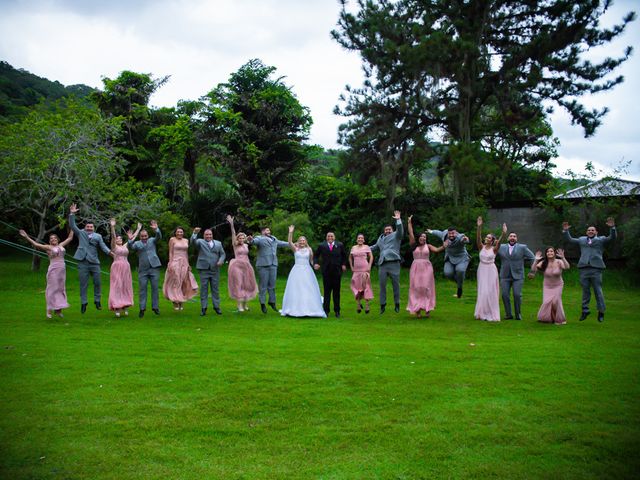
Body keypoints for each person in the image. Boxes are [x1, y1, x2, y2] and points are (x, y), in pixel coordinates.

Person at [562, 217, 616, 322]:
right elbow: (570, 240)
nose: (590, 231)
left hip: (596, 269)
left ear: (596, 232)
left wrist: (612, 228)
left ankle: (601, 312)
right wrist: (566, 230)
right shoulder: (582, 240)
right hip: (583, 269)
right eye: (589, 230)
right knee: (585, 291)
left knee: (598, 291)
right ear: (586, 232)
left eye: (592, 230)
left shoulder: (601, 240)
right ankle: (585, 311)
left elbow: (612, 238)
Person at [69, 203, 114, 313]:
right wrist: (72, 214)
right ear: (85, 228)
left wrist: (111, 254)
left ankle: (97, 300)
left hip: (94, 262)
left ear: (94, 228)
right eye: (88, 227)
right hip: (82, 262)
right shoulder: (80, 233)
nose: (89, 228)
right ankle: (84, 302)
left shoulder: (98, 236)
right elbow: (72, 225)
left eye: (91, 227)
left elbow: (103, 247)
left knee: (97, 282)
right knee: (83, 284)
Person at [19, 228, 74, 318]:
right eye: (51, 238)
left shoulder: (61, 245)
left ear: (57, 239)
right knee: (52, 289)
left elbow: (70, 237)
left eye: (55, 238)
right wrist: (26, 237)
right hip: (53, 270)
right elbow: (36, 244)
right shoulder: (48, 247)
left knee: (60, 289)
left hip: (62, 270)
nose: (53, 239)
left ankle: (58, 310)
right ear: (49, 241)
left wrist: (72, 227)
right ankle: (48, 310)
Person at [280, 225, 326, 318]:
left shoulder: (309, 249)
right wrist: (291, 232)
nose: (302, 242)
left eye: (303, 240)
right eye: (300, 240)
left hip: (307, 271)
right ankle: (294, 308)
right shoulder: (295, 249)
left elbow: (312, 260)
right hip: (296, 271)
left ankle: (309, 308)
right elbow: (289, 242)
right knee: (296, 289)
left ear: (306, 242)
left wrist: (315, 265)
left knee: (308, 288)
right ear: (298, 242)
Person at [406, 216, 443, 318]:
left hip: (427, 269)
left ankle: (427, 309)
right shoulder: (414, 245)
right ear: (419, 238)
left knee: (426, 287)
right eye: (421, 237)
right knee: (417, 288)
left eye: (425, 237)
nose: (423, 238)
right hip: (415, 268)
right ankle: (417, 310)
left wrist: (444, 246)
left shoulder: (429, 246)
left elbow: (437, 250)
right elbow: (411, 233)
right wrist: (409, 223)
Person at [247, 226, 290, 313]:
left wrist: (293, 244)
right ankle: (262, 303)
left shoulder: (274, 239)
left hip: (273, 264)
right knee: (263, 286)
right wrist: (250, 240)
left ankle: (272, 302)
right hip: (263, 265)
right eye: (267, 230)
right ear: (262, 232)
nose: (269, 231)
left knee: (272, 285)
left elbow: (281, 243)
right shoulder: (260, 238)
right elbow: (253, 242)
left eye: (269, 230)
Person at [496, 229, 537, 320]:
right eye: (511, 236)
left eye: (514, 236)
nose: (512, 238)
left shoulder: (523, 247)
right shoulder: (501, 247)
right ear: (507, 238)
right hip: (505, 275)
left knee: (517, 294)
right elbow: (491, 253)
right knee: (504, 295)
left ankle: (518, 314)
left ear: (516, 238)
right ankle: (508, 314)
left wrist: (532, 271)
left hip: (518, 276)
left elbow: (533, 257)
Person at [370, 210, 404, 313]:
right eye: (386, 230)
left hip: (394, 263)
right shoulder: (380, 239)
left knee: (395, 285)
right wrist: (362, 248)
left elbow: (400, 230)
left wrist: (398, 220)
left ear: (392, 230)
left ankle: (397, 304)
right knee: (382, 285)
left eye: (389, 229)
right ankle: (382, 305)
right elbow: (375, 247)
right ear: (384, 231)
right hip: (382, 264)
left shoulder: (396, 236)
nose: (388, 231)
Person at [127, 220, 162, 318]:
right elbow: (131, 247)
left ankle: (155, 307)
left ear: (147, 235)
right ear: (140, 237)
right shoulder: (137, 243)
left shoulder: (152, 240)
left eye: (145, 236)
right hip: (143, 269)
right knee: (142, 289)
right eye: (142, 236)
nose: (144, 238)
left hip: (154, 267)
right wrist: (130, 240)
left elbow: (159, 237)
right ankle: (142, 308)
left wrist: (156, 230)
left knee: (155, 288)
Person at [474, 216, 504, 322]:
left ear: (492, 241)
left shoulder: (494, 249)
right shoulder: (481, 247)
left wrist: (503, 234)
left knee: (490, 291)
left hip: (491, 270)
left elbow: (499, 243)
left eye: (489, 237)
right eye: (486, 237)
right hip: (482, 269)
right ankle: (481, 312)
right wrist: (479, 227)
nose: (486, 238)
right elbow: (478, 238)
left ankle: (491, 312)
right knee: (483, 290)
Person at [191, 227, 226, 316]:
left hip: (215, 269)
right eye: (206, 234)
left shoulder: (218, 243)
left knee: (215, 289)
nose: (208, 236)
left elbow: (222, 254)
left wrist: (221, 260)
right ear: (204, 235)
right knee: (204, 289)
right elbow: (193, 242)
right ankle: (204, 308)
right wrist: (194, 233)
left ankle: (216, 307)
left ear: (212, 235)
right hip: (203, 269)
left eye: (210, 234)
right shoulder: (200, 242)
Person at [427, 225, 470, 298]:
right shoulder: (444, 235)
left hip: (462, 258)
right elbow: (438, 233)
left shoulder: (460, 237)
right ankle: (459, 282)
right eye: (450, 233)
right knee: (447, 273)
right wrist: (431, 231)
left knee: (460, 270)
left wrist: (466, 239)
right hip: (449, 258)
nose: (451, 235)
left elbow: (465, 240)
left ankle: (459, 288)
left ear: (456, 233)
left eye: (453, 233)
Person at [226, 215, 258, 312]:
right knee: (239, 284)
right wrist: (231, 224)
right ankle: (239, 305)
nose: (241, 239)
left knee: (246, 284)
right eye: (239, 238)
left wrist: (249, 239)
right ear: (237, 238)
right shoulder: (235, 245)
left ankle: (245, 304)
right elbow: (233, 233)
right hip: (237, 266)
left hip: (246, 265)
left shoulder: (246, 245)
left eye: (242, 238)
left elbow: (251, 241)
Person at [163, 226, 198, 311]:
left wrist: (188, 264)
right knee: (176, 281)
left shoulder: (186, 240)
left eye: (181, 232)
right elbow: (170, 252)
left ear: (183, 233)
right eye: (178, 232)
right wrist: (170, 263)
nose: (179, 233)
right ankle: (175, 301)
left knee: (183, 282)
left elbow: (186, 253)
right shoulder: (172, 240)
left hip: (184, 263)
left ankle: (181, 301)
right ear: (175, 232)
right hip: (175, 262)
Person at [314, 232, 348, 318]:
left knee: (336, 292)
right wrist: (316, 263)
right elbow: (316, 256)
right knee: (327, 292)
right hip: (326, 272)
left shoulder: (339, 245)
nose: (330, 237)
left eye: (331, 236)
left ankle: (337, 311)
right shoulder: (322, 245)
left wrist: (344, 264)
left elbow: (344, 256)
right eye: (328, 236)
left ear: (334, 237)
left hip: (337, 272)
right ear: (326, 237)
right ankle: (326, 311)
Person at [533, 247, 570, 325]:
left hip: (558, 285)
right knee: (546, 302)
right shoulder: (543, 262)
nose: (549, 253)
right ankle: (548, 318)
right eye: (548, 252)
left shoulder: (559, 262)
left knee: (555, 302)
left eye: (551, 251)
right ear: (546, 254)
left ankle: (558, 319)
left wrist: (563, 258)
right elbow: (533, 269)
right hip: (547, 286)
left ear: (554, 253)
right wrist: (536, 260)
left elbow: (567, 267)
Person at [108, 218, 134, 317]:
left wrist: (138, 230)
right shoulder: (114, 247)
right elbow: (113, 237)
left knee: (125, 286)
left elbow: (131, 239)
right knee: (117, 286)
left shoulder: (125, 246)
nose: (119, 239)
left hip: (126, 267)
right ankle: (116, 307)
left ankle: (125, 305)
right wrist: (112, 227)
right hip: (117, 266)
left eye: (121, 239)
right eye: (118, 239)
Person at [349, 234, 374, 314]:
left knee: (365, 286)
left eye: (362, 238)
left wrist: (369, 266)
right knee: (356, 287)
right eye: (359, 238)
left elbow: (371, 257)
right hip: (356, 270)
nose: (360, 239)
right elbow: (350, 257)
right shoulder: (353, 248)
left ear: (364, 240)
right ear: (357, 239)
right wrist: (351, 266)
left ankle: (367, 305)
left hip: (364, 269)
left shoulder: (366, 247)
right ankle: (358, 304)